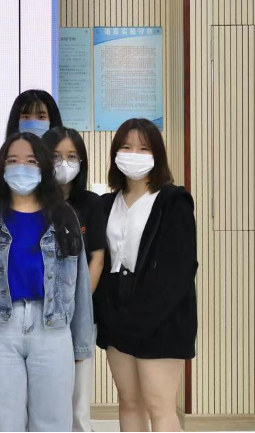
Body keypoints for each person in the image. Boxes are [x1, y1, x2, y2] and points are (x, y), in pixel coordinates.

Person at [0, 132, 94, 432]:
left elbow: (81, 282)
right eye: (13, 160)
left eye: (31, 161)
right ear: (2, 168)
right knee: (4, 422)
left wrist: (81, 342)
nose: (22, 167)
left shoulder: (64, 216)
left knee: (53, 423)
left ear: (43, 167)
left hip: (53, 328)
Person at [95, 119, 197, 433]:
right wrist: (109, 314)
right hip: (117, 315)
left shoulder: (173, 201)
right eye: (126, 147)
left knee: (160, 407)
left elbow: (179, 270)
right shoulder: (106, 204)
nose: (134, 154)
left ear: (157, 155)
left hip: (161, 318)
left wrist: (142, 317)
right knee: (128, 402)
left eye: (143, 148)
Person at [41, 127, 107, 432]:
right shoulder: (31, 201)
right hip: (39, 312)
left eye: (71, 157)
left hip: (79, 312)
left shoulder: (92, 204)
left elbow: (97, 257)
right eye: (55, 156)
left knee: (78, 399)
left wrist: (78, 303)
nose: (63, 163)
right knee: (44, 395)